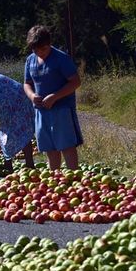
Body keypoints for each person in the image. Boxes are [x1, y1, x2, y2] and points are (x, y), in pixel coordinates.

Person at [23, 25, 83, 170]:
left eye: (42, 49)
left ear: (49, 44)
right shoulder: (30, 60)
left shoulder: (61, 58)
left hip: (62, 110)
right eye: (35, 50)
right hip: (41, 111)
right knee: (50, 148)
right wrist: (32, 96)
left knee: (66, 145)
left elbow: (75, 82)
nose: (39, 53)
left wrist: (55, 96)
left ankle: (74, 177)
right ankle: (54, 178)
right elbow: (27, 83)